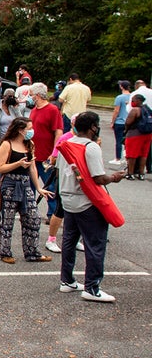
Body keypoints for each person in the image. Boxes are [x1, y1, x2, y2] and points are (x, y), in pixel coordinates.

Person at [58, 112, 126, 302]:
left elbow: (59, 172)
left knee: (69, 241)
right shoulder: (91, 147)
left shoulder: (66, 145)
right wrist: (114, 177)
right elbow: (98, 178)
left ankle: (67, 280)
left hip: (68, 199)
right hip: (87, 202)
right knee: (95, 243)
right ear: (93, 127)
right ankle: (92, 286)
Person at [0, 118, 54, 263]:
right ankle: (5, 252)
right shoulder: (7, 144)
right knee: (7, 221)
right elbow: (0, 168)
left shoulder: (29, 144)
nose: (31, 131)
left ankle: (32, 252)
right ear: (20, 130)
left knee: (33, 219)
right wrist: (18, 163)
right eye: (29, 128)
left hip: (25, 184)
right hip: (9, 185)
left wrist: (39, 187)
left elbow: (32, 167)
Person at [28, 83, 64, 252]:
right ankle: (30, 211)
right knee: (30, 186)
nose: (30, 97)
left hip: (46, 156)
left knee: (49, 187)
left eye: (31, 94)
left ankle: (52, 214)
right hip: (33, 154)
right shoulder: (34, 110)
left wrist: (54, 153)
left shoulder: (52, 110)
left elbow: (58, 132)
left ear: (38, 95)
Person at [123, 93, 150, 180]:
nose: (132, 102)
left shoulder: (135, 110)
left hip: (135, 135)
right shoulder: (147, 109)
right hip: (147, 135)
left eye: (133, 100)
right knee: (144, 155)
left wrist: (126, 130)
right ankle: (141, 173)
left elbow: (128, 122)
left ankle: (130, 173)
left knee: (132, 155)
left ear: (138, 101)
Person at [110, 81, 131, 166]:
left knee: (118, 141)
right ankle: (127, 157)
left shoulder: (119, 97)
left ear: (121, 87)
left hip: (120, 121)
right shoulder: (132, 96)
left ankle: (117, 158)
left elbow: (116, 110)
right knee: (127, 141)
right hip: (129, 121)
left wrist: (112, 122)